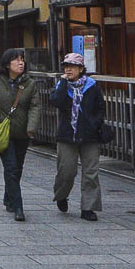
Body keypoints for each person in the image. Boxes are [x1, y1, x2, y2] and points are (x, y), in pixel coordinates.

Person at [0, 48, 42, 222]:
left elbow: (35, 106)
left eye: (22, 60)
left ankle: (8, 197)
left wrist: (31, 127)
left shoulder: (30, 84)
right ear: (7, 65)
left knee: (17, 168)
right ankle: (18, 206)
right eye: (16, 60)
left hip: (22, 133)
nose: (21, 63)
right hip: (3, 133)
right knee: (11, 167)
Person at [49, 52, 105, 221]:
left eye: (72, 66)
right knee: (66, 171)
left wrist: (94, 124)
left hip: (89, 136)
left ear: (81, 68)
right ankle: (61, 195)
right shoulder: (62, 85)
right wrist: (63, 83)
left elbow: (100, 108)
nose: (69, 69)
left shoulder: (92, 86)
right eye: (66, 66)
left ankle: (88, 208)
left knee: (91, 172)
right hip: (67, 135)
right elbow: (56, 102)